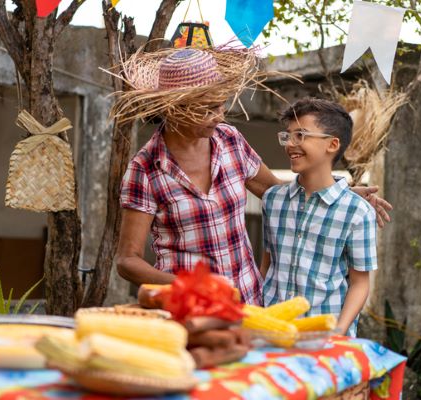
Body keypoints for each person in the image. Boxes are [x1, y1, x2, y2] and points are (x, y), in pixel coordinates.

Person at [114, 47, 390, 306]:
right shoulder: (146, 170)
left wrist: (342, 194)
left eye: (220, 105)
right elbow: (128, 260)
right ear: (176, 108)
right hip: (189, 307)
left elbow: (276, 193)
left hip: (248, 301)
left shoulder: (229, 140)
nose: (219, 116)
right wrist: (188, 286)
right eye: (207, 109)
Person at [260, 97, 377, 336]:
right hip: (271, 331)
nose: (290, 144)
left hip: (323, 336)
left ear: (332, 145)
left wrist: (339, 331)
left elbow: (360, 283)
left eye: (301, 135)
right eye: (287, 135)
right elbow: (267, 265)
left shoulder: (357, 211)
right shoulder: (273, 200)